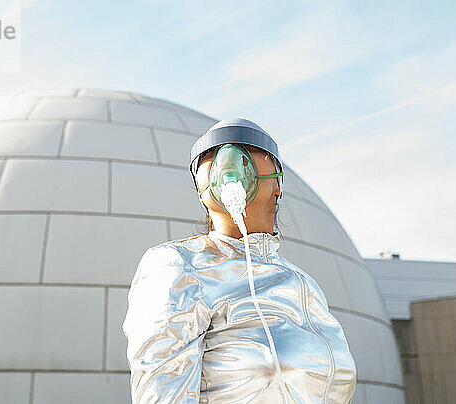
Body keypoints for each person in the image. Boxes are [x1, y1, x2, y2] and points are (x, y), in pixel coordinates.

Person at [123, 118, 357, 403]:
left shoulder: (303, 284)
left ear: (277, 183)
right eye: (211, 153)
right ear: (201, 187)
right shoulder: (177, 266)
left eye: (248, 146)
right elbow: (162, 393)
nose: (229, 157)